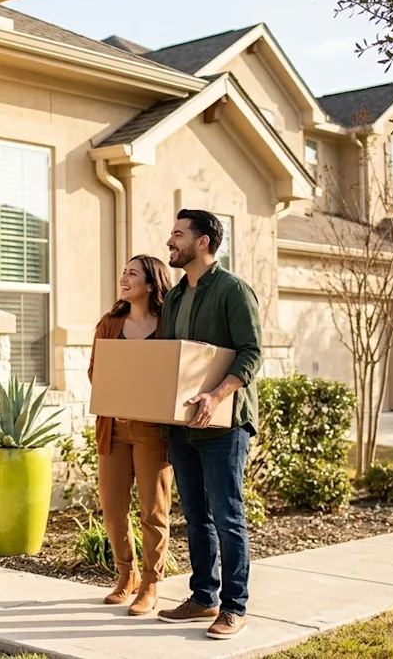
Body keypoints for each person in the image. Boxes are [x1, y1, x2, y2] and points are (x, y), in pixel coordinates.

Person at [155, 210, 262, 640]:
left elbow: (251, 353)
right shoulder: (176, 297)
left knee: (227, 515)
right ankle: (203, 597)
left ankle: (234, 607)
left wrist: (216, 395)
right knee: (197, 516)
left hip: (224, 425)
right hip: (181, 425)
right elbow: (169, 359)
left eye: (179, 235)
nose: (170, 241)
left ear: (203, 242)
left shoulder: (233, 290)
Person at [87, 255, 174, 616]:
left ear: (152, 284)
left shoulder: (168, 324)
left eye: (132, 273)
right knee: (113, 508)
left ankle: (151, 584)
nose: (124, 277)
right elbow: (96, 371)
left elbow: (175, 371)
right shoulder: (109, 324)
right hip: (114, 428)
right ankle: (127, 576)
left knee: (153, 510)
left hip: (153, 430)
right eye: (123, 271)